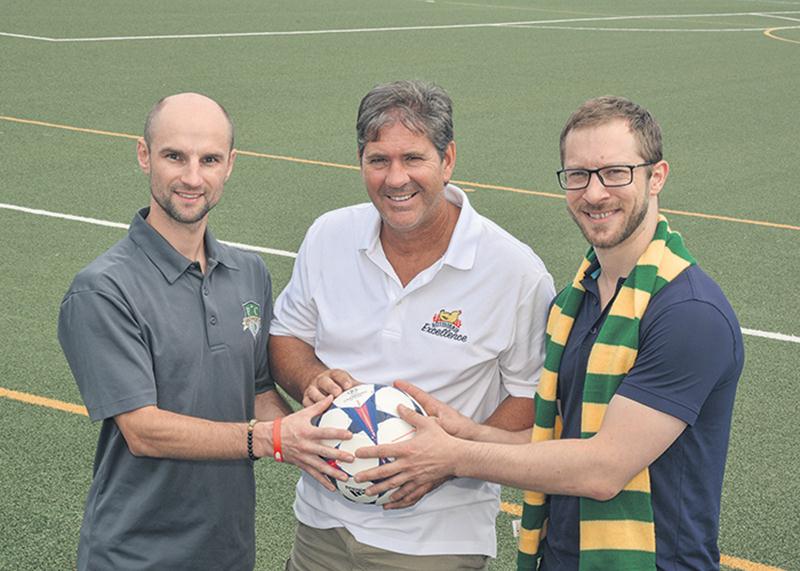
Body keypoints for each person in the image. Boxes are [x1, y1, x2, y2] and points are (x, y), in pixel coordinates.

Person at [356, 96, 744, 571]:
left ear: (656, 176)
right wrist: (471, 433)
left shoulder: (689, 314)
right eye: (578, 175)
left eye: (616, 172)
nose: (595, 193)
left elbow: (603, 468)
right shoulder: (576, 300)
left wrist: (454, 457)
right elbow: (560, 443)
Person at [57, 92, 352, 571]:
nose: (193, 177)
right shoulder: (102, 290)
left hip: (229, 551)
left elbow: (256, 388)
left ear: (230, 165)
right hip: (135, 556)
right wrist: (274, 438)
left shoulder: (249, 272)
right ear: (143, 155)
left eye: (209, 159)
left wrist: (318, 436)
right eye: (175, 156)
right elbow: (144, 430)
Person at [269, 80, 555, 570]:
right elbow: (286, 335)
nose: (395, 178)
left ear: (448, 160)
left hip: (437, 539)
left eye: (413, 158)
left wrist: (451, 456)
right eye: (379, 160)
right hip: (322, 523)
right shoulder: (328, 236)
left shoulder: (515, 271)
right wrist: (310, 377)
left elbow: (531, 397)